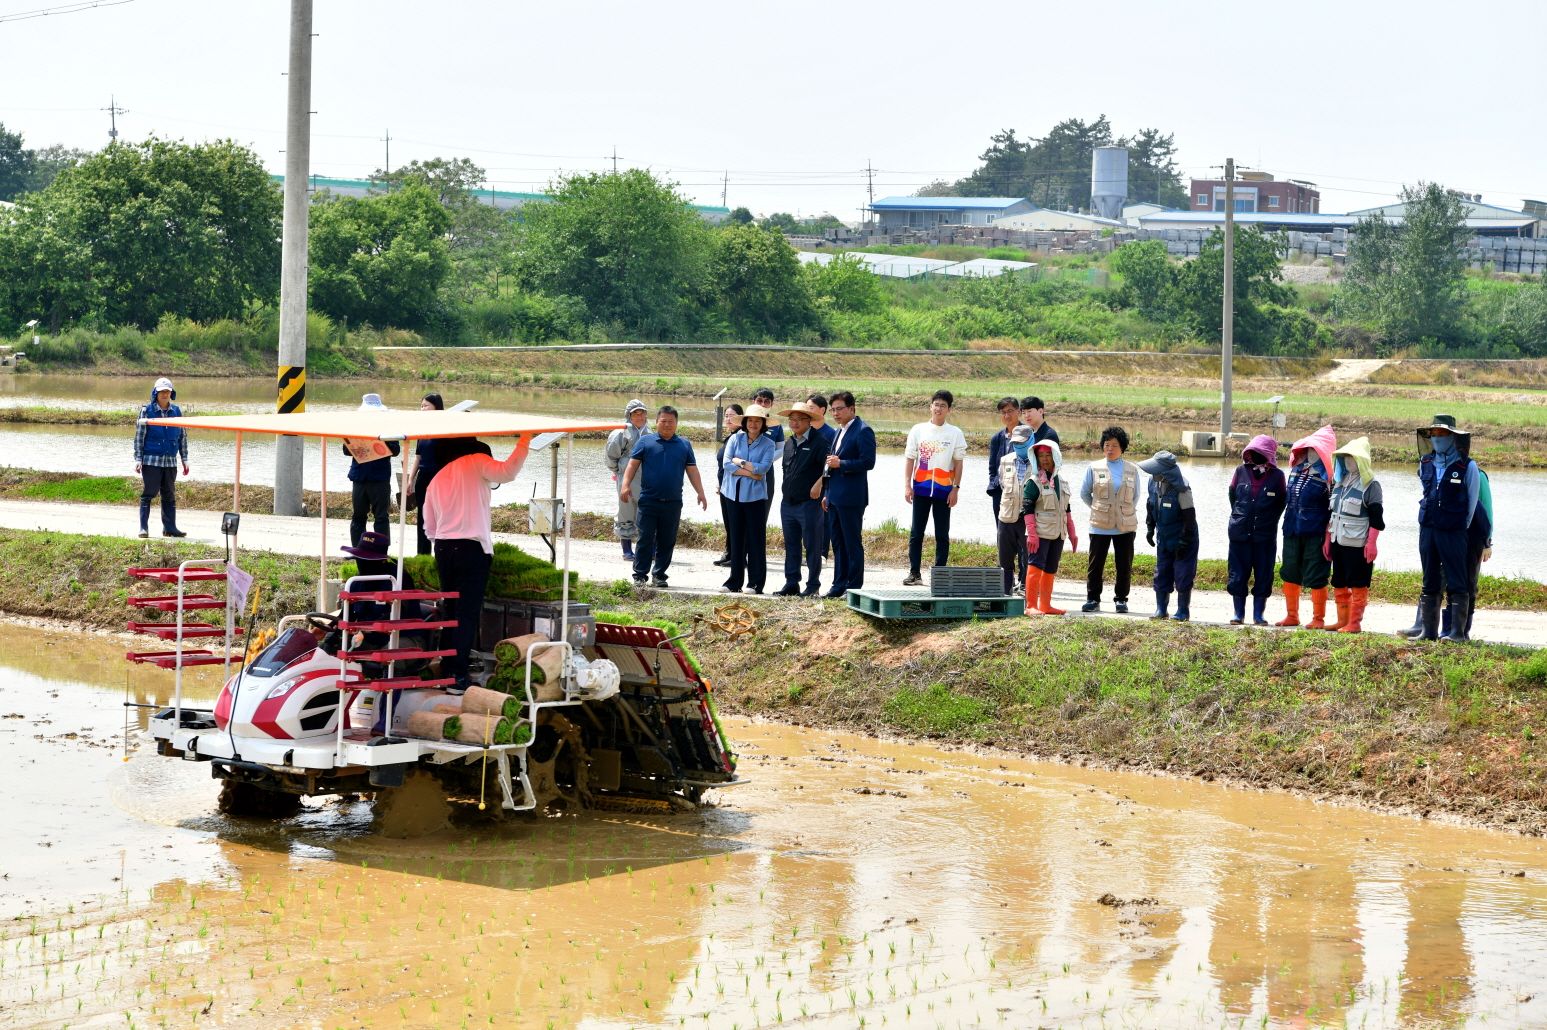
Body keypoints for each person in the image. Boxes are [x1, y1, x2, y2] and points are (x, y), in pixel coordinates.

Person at [423, 435, 532, 688]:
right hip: (471, 547)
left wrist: (442, 541)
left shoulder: (437, 478)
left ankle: (445, 668)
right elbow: (507, 471)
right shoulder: (476, 460)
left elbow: (428, 525)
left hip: (442, 546)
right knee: (466, 613)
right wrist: (524, 440)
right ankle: (457, 676)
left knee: (449, 610)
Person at [1403, 414, 1481, 642]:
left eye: (1441, 434)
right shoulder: (1425, 462)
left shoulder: (1468, 466)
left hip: (1454, 531)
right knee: (1430, 579)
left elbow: (1472, 504)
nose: (1436, 439)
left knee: (1457, 580)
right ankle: (1428, 632)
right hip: (1428, 529)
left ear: (1453, 437)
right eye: (1433, 434)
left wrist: (1457, 527)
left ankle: (1457, 633)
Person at [620, 405, 708, 589]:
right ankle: (640, 575)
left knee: (667, 540)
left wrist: (700, 492)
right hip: (649, 500)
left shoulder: (684, 444)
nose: (667, 425)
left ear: (676, 423)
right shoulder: (645, 442)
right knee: (645, 538)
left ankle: (659, 575)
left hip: (673, 501)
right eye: (663, 421)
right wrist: (625, 485)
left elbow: (692, 470)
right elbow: (631, 465)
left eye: (671, 422)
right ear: (657, 422)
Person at [902, 390, 968, 585]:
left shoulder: (955, 433)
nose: (938, 408)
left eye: (943, 405)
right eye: (936, 404)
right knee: (916, 533)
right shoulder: (918, 430)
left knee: (942, 534)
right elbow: (909, 459)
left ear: (949, 409)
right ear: (930, 406)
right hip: (920, 488)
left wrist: (956, 488)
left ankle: (940, 574)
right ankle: (914, 573)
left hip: (944, 490)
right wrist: (907, 485)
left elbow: (958, 463)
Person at [1276, 425, 1338, 629]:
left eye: (1315, 450)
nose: (1310, 453)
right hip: (1292, 528)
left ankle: (1318, 618)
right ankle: (1291, 615)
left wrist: (1329, 537)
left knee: (1317, 573)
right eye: (1308, 449)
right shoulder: (1296, 469)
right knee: (1290, 570)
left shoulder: (1331, 478)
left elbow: (1334, 509)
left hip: (1316, 532)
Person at [1324, 436, 1384, 635]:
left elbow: (1376, 518)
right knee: (1339, 581)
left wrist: (1372, 543)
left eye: (1352, 458)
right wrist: (1327, 539)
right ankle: (1342, 620)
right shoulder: (1339, 482)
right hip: (1338, 540)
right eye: (1345, 458)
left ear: (1362, 460)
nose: (1348, 461)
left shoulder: (1371, 485)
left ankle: (1355, 623)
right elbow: (1331, 514)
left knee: (1358, 583)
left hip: (1358, 544)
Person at [1226, 435, 1286, 626]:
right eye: (1252, 453)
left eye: (1259, 453)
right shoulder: (1240, 471)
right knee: (1237, 574)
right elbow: (1233, 497)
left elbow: (1280, 504)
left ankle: (1258, 615)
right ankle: (1238, 614)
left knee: (1263, 574)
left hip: (1265, 536)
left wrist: (1267, 521)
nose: (1254, 457)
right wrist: (1241, 516)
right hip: (1240, 534)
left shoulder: (1278, 476)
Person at [1079, 426, 1140, 614]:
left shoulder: (1132, 469)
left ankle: (1121, 599)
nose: (1110, 449)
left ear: (1122, 448)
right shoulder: (1094, 467)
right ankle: (1093, 599)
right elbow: (1084, 493)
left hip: (1125, 525)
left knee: (1124, 565)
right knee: (1095, 564)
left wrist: (1121, 511)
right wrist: (1100, 509)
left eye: (1114, 445)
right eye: (1107, 445)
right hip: (1099, 525)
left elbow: (1136, 496)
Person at [719, 403, 777, 594]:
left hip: (755, 498)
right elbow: (727, 463)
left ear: (763, 423)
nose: (753, 424)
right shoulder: (735, 438)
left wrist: (740, 462)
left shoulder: (768, 444)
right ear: (744, 422)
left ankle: (755, 583)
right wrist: (749, 472)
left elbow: (763, 469)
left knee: (755, 540)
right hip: (732, 495)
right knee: (736, 539)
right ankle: (734, 582)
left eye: (757, 421)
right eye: (750, 420)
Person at [822, 390, 874, 598]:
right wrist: (827, 492)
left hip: (852, 497)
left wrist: (841, 463)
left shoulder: (863, 431)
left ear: (852, 408)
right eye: (833, 410)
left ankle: (853, 587)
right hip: (834, 496)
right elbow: (830, 464)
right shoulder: (838, 431)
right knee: (837, 543)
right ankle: (838, 584)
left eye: (839, 409)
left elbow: (868, 462)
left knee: (852, 542)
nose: (836, 413)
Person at [775, 401, 829, 597]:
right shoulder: (789, 443)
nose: (795, 423)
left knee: (812, 545)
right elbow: (785, 470)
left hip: (809, 503)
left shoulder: (820, 442)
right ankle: (791, 583)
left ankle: (813, 585)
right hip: (788, 503)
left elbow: (829, 468)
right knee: (791, 544)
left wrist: (819, 484)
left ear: (809, 421)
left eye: (799, 419)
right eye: (792, 419)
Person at [1140, 450, 1198, 621]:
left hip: (1183, 537)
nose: (1153, 473)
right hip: (1163, 536)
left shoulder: (1182, 488)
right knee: (1162, 572)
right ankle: (1161, 609)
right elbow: (1150, 506)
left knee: (1183, 573)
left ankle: (1182, 611)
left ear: (1165, 472)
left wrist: (1184, 539)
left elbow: (1190, 517)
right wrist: (1150, 528)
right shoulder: (1153, 482)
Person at [1022, 439, 1077, 615]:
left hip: (1058, 534)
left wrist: (1072, 533)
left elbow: (1067, 509)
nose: (1045, 459)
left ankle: (1045, 605)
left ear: (1055, 457)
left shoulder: (1062, 481)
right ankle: (1031, 606)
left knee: (1051, 568)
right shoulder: (1033, 482)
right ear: (1036, 458)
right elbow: (1027, 509)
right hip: (1040, 533)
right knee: (1035, 566)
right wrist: (1031, 534)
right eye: (1041, 456)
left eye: (1048, 455)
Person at [133, 376, 189, 538]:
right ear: (155, 393)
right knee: (149, 492)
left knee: (169, 494)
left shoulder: (177, 412)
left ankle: (170, 528)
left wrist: (185, 459)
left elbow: (182, 437)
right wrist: (138, 459)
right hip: (151, 460)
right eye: (161, 392)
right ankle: (143, 528)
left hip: (170, 461)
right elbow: (139, 437)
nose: (165, 394)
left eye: (167, 391)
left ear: (171, 393)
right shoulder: (146, 411)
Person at [343, 393, 401, 547]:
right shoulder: (356, 427)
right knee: (358, 516)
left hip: (380, 478)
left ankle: (380, 553)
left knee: (381, 517)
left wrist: (378, 443)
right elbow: (345, 449)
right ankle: (357, 551)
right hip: (359, 477)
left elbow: (396, 449)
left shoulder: (388, 428)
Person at [605, 399, 649, 561]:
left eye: (642, 413)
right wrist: (620, 473)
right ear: (629, 415)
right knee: (626, 512)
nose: (639, 416)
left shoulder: (650, 433)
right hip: (626, 480)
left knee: (645, 513)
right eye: (635, 413)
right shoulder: (620, 433)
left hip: (646, 480)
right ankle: (627, 550)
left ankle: (646, 550)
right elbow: (611, 457)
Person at [995, 424, 1032, 595]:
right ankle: (1005, 593)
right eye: (1015, 443)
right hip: (1007, 515)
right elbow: (1003, 483)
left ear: (1031, 440)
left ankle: (1027, 591)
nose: (1018, 446)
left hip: (1029, 518)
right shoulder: (1006, 460)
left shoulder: (1040, 461)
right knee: (1005, 558)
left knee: (1028, 557)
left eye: (1022, 443)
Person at [410, 393, 444, 556]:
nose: (422, 409)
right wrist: (410, 479)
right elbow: (418, 456)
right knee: (422, 517)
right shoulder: (421, 430)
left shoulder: (445, 431)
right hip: (423, 478)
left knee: (439, 516)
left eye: (426, 406)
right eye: (421, 405)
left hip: (439, 478)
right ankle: (422, 554)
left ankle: (440, 553)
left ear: (436, 407)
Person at [712, 404, 744, 568]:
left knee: (736, 522)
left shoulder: (741, 437)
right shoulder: (731, 437)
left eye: (732, 415)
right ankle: (730, 552)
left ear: (740, 418)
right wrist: (719, 482)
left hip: (736, 487)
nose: (728, 418)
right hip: (725, 486)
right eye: (726, 415)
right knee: (728, 522)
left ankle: (738, 556)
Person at [987, 397, 1021, 520]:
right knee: (1001, 529)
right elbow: (992, 467)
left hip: (1020, 490)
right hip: (1000, 489)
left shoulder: (1028, 435)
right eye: (1003, 412)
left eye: (1010, 411)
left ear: (1019, 411)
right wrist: (994, 483)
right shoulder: (997, 438)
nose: (1007, 415)